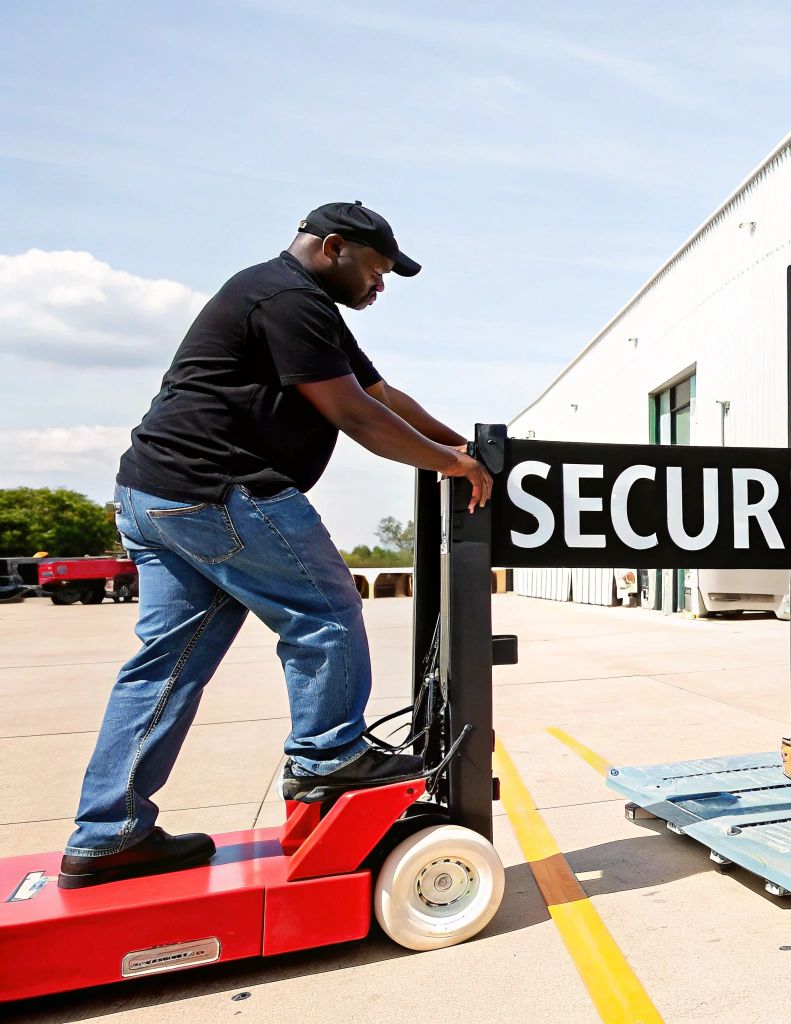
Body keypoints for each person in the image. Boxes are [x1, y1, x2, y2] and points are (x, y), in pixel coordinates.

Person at [59, 202, 494, 887]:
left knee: (165, 666)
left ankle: (109, 834)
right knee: (325, 612)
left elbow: (379, 393)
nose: (380, 286)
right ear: (333, 247)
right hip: (218, 491)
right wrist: (452, 467)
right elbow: (353, 414)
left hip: (155, 496)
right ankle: (329, 758)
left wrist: (457, 446)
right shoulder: (288, 300)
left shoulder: (295, 301)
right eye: (377, 270)